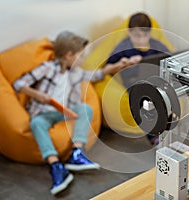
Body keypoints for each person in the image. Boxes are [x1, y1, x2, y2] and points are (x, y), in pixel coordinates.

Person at [13, 31, 127, 195]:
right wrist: (38, 95)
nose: (81, 60)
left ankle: (76, 152)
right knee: (36, 123)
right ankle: (56, 166)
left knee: (85, 108)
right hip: (44, 112)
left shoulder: (76, 72)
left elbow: (96, 75)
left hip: (66, 111)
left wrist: (116, 66)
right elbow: (19, 84)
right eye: (80, 56)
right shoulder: (47, 68)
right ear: (68, 55)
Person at [104, 12, 170, 145]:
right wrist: (122, 63)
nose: (141, 40)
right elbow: (106, 69)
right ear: (129, 32)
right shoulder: (123, 47)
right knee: (147, 97)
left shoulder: (155, 45)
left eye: (145, 35)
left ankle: (168, 127)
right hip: (134, 83)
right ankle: (153, 134)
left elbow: (170, 59)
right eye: (137, 36)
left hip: (154, 78)